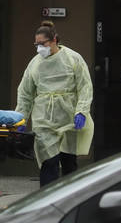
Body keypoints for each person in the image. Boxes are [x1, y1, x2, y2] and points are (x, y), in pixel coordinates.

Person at [15, 20, 94, 186]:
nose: (39, 48)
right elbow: (25, 93)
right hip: (44, 118)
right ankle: (47, 198)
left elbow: (85, 86)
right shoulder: (35, 64)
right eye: (36, 44)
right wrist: (22, 117)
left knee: (68, 161)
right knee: (48, 161)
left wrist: (81, 111)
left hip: (68, 116)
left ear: (54, 40)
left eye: (42, 44)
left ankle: (69, 198)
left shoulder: (73, 59)